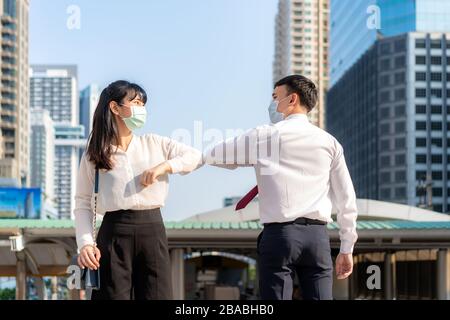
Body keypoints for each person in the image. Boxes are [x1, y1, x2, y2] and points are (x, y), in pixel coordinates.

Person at [203, 75, 358, 300]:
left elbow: (214, 155)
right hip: (317, 238)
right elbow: (347, 200)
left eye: (276, 97)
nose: (272, 104)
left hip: (280, 235)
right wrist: (346, 248)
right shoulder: (330, 142)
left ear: (292, 99)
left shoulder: (265, 136)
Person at [74, 80, 202, 300]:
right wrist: (85, 244)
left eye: (143, 104)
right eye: (136, 103)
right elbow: (83, 202)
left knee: (157, 295)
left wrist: (165, 166)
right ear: (115, 107)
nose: (142, 109)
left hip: (152, 229)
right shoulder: (94, 154)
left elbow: (195, 157)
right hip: (113, 232)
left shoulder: (155, 143)